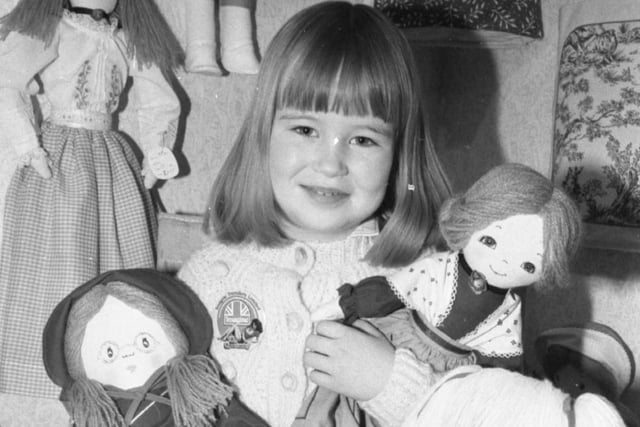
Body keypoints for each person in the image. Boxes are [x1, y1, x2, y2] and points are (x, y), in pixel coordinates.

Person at [177, 1, 451, 426]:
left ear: (400, 156)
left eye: (362, 139)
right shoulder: (207, 275)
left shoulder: (428, 283)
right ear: (263, 137)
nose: (330, 164)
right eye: (305, 130)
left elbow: (476, 407)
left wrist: (388, 382)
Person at [0, 0, 183, 400]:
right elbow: (6, 77)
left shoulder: (127, 37)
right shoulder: (53, 29)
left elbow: (161, 97)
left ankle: (116, 364)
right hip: (59, 154)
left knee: (121, 258)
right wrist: (28, 146)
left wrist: (155, 150)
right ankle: (53, 366)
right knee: (62, 257)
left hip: (111, 158)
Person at [312, 163, 583, 372]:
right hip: (396, 344)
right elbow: (394, 289)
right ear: (468, 222)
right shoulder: (440, 269)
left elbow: (502, 357)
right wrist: (341, 307)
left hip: (451, 374)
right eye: (489, 240)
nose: (502, 264)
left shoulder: (509, 307)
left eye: (528, 264)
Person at [42, 268, 268, 427]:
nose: (129, 353)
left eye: (145, 342)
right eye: (109, 352)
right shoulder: (91, 418)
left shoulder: (204, 404)